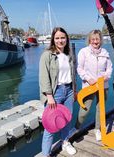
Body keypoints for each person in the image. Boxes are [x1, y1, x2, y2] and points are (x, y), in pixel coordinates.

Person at [39, 27, 77, 156]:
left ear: (66, 38)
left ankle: (65, 142)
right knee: (49, 126)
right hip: (55, 93)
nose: (60, 40)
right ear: (53, 40)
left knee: (66, 120)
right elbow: (44, 77)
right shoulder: (47, 55)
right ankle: (46, 154)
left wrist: (74, 90)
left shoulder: (69, 54)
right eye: (57, 38)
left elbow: (73, 74)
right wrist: (49, 96)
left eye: (62, 37)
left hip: (69, 91)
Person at [76, 29, 113, 141]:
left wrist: (107, 76)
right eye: (93, 39)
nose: (95, 41)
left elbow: (110, 68)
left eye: (97, 39)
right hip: (89, 86)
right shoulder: (83, 52)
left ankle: (98, 129)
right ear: (89, 40)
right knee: (84, 110)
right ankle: (76, 128)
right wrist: (88, 78)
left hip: (103, 85)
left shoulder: (105, 53)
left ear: (100, 40)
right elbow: (79, 68)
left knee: (100, 109)